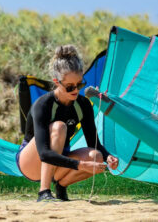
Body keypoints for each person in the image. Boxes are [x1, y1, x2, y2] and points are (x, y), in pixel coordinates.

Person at [17, 45, 119, 202]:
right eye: (70, 86)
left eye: (79, 84)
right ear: (57, 82)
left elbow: (93, 142)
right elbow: (44, 153)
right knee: (59, 127)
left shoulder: (83, 105)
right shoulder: (43, 105)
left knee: (96, 156)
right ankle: (44, 192)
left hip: (59, 160)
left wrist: (108, 156)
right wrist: (80, 165)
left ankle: (61, 186)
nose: (75, 90)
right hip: (31, 162)